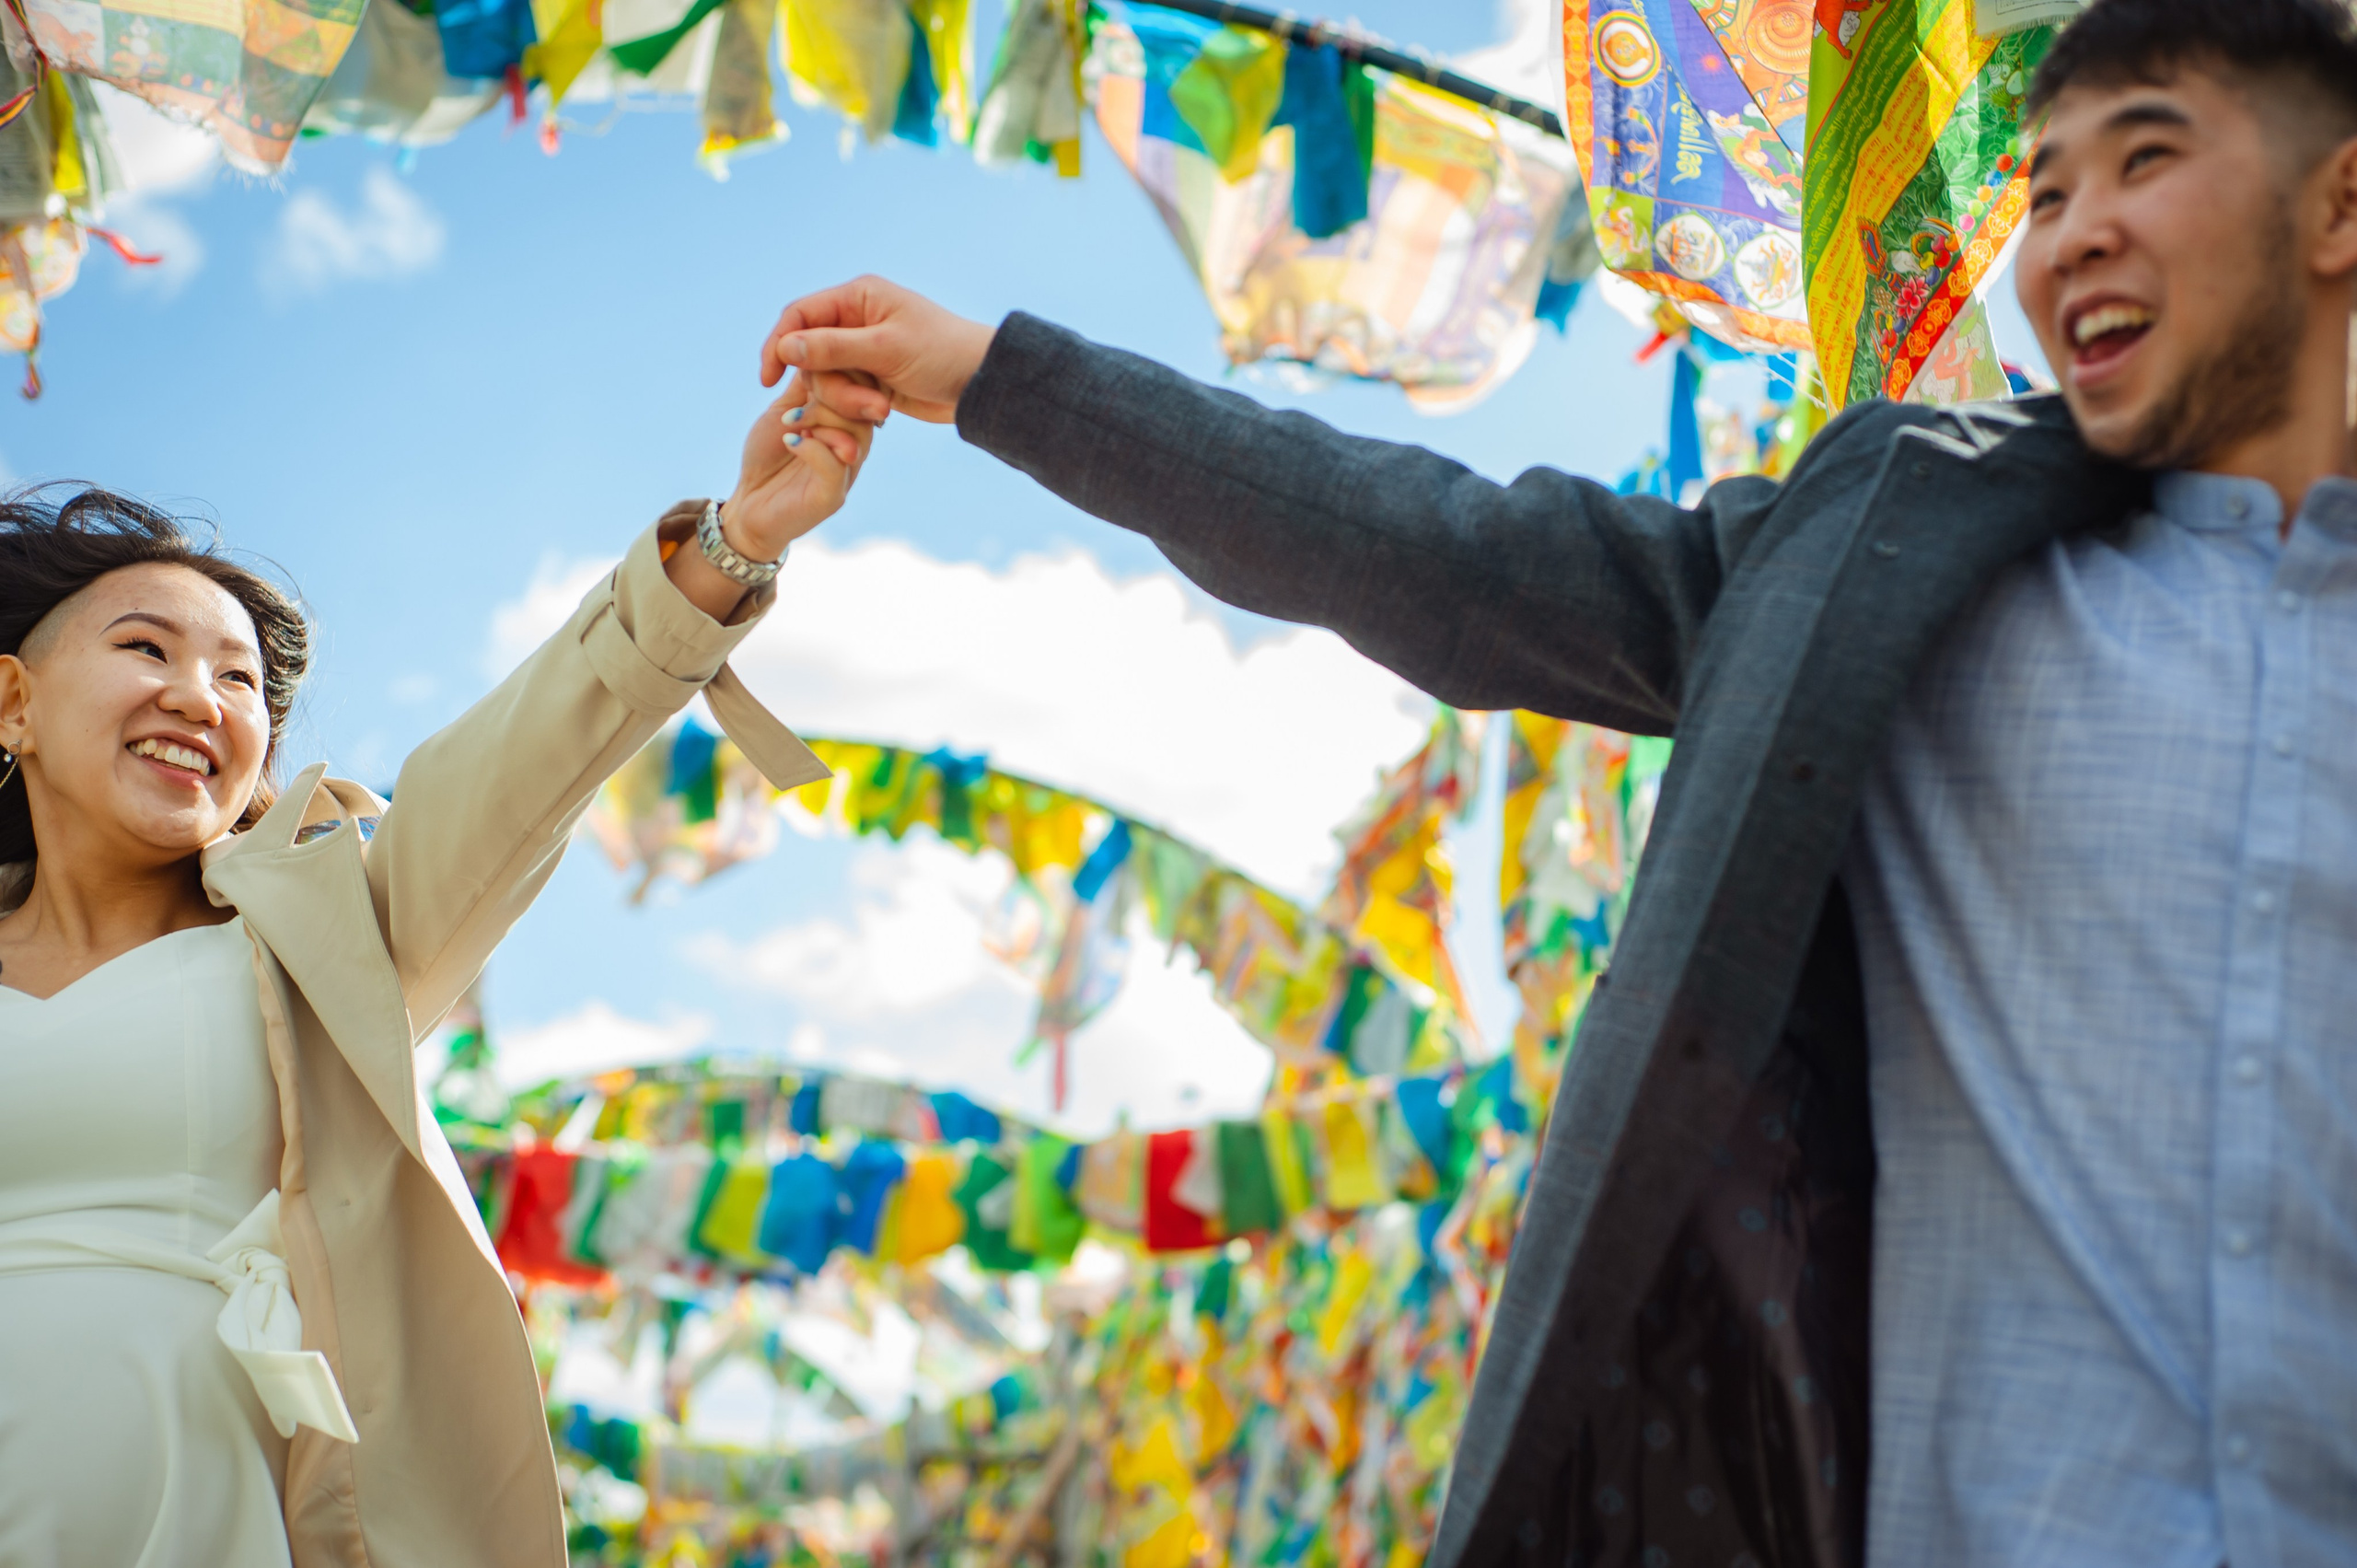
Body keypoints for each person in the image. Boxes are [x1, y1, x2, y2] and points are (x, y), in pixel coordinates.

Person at [765, 1, 2357, 1563]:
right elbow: (1443, 554)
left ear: (2337, 202)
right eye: (2047, 189)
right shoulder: (1904, 566)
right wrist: (999, 378)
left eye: (2143, 163)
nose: (2067, 236)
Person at [0, 370, 872, 1565]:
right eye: (146, 647)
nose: (198, 698)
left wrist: (730, 544)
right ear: (14, 705)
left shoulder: (319, 941)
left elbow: (526, 759)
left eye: (241, 681)